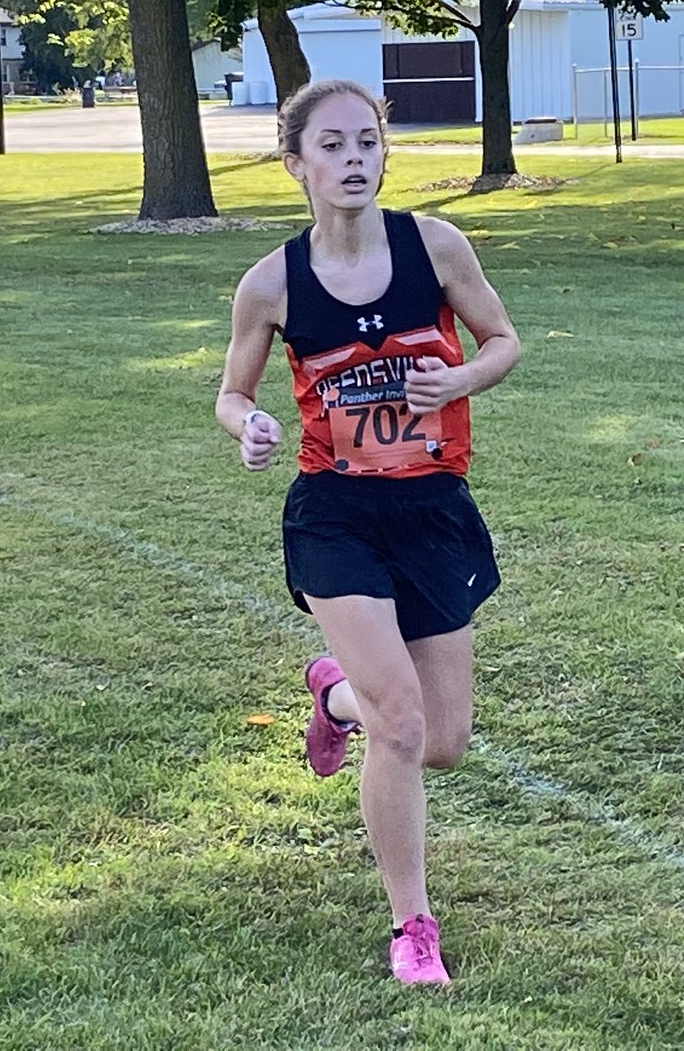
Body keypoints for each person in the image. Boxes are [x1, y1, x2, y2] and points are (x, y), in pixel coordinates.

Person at [215, 79, 521, 986]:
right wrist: (250, 427)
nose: (354, 161)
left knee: (442, 740)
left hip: (431, 509)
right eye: (333, 146)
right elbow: (232, 392)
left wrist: (458, 384)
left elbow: (503, 339)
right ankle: (411, 925)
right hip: (335, 513)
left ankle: (331, 697)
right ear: (296, 163)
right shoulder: (272, 282)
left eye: (367, 144)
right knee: (399, 724)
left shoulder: (436, 247)